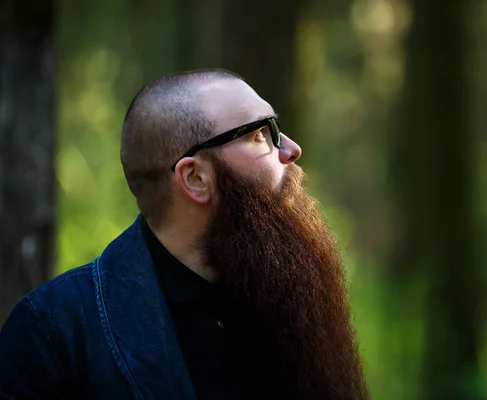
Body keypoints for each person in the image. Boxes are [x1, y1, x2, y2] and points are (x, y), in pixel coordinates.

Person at [0, 69, 369, 400]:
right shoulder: (53, 332)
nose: (291, 149)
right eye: (261, 134)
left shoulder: (282, 296)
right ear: (195, 178)